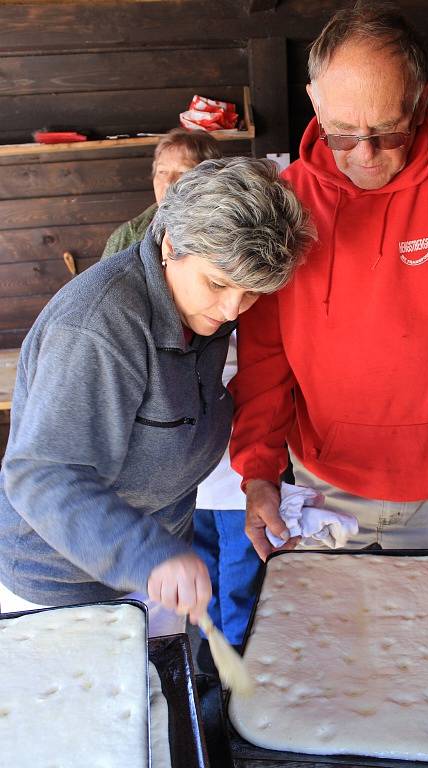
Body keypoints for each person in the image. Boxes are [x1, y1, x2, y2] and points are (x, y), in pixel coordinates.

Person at [230, 2, 428, 575]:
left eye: (388, 132)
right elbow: (264, 356)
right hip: (320, 488)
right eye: (343, 134)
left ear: (423, 97)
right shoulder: (284, 203)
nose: (365, 155)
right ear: (314, 101)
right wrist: (259, 470)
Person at [0, 157, 314, 636]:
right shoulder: (99, 326)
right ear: (171, 245)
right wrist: (150, 556)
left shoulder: (199, 311)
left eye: (250, 292)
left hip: (151, 573)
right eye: (218, 283)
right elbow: (41, 475)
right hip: (59, 588)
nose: (232, 308)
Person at [101, 129, 261, 649]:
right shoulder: (124, 259)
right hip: (160, 457)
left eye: (183, 173)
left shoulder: (232, 250)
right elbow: (48, 477)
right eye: (162, 173)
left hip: (224, 442)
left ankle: (226, 659)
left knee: (234, 567)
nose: (170, 185)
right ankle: (209, 657)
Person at [102, 127, 221, 258]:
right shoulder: (126, 236)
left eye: (183, 172)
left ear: (209, 178)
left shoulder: (226, 233)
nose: (168, 182)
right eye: (162, 172)